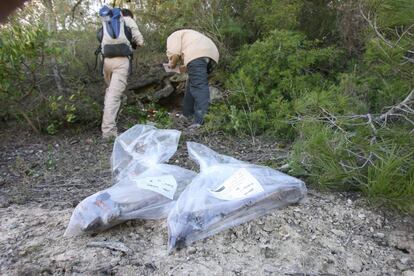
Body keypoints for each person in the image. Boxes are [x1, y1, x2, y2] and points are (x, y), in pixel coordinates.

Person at [99, 7, 144, 139]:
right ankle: (108, 132)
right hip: (121, 62)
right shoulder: (128, 20)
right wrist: (135, 43)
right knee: (114, 95)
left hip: (106, 61)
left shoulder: (106, 21)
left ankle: (107, 122)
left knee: (110, 92)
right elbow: (140, 41)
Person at [166, 29, 219, 129]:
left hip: (198, 54)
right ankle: (187, 114)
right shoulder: (187, 36)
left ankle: (200, 121)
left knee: (199, 86)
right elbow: (192, 62)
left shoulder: (172, 37)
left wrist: (171, 64)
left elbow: (175, 54)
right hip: (210, 54)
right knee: (191, 84)